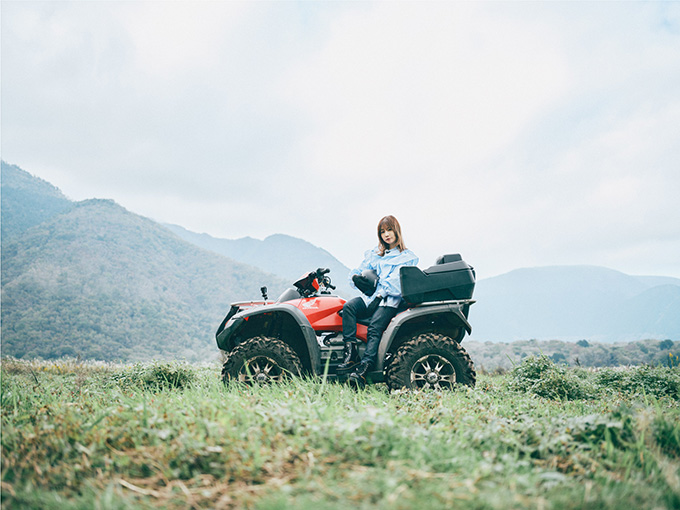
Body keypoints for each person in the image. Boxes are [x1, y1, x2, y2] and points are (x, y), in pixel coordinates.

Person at [339, 215, 419, 387]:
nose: (386, 234)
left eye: (389, 230)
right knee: (349, 308)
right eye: (382, 232)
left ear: (396, 230)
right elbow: (361, 269)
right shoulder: (375, 254)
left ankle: (364, 369)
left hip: (389, 301)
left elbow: (396, 282)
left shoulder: (406, 257)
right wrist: (355, 277)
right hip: (370, 298)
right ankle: (351, 354)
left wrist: (380, 295)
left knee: (374, 328)